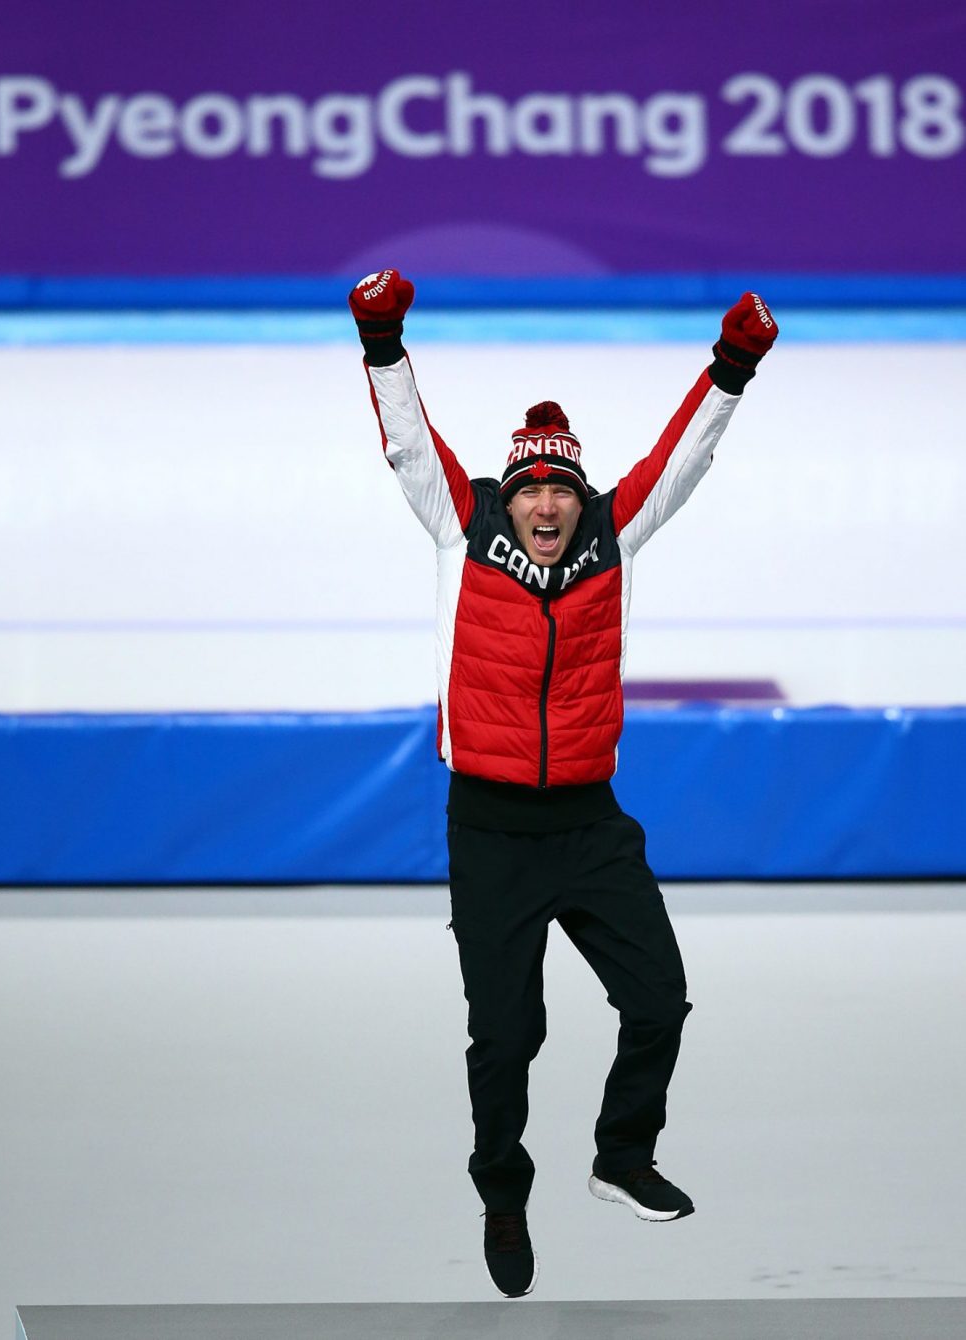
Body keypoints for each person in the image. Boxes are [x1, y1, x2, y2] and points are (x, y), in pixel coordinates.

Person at [349, 271, 778, 1298]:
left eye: (562, 489)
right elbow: (410, 440)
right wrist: (381, 338)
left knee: (659, 1000)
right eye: (532, 487)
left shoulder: (609, 537)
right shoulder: (464, 526)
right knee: (507, 1035)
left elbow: (683, 458)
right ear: (511, 491)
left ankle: (621, 1153)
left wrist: (733, 364)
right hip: (489, 827)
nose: (547, 503)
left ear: (580, 497)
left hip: (588, 822)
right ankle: (503, 1186)